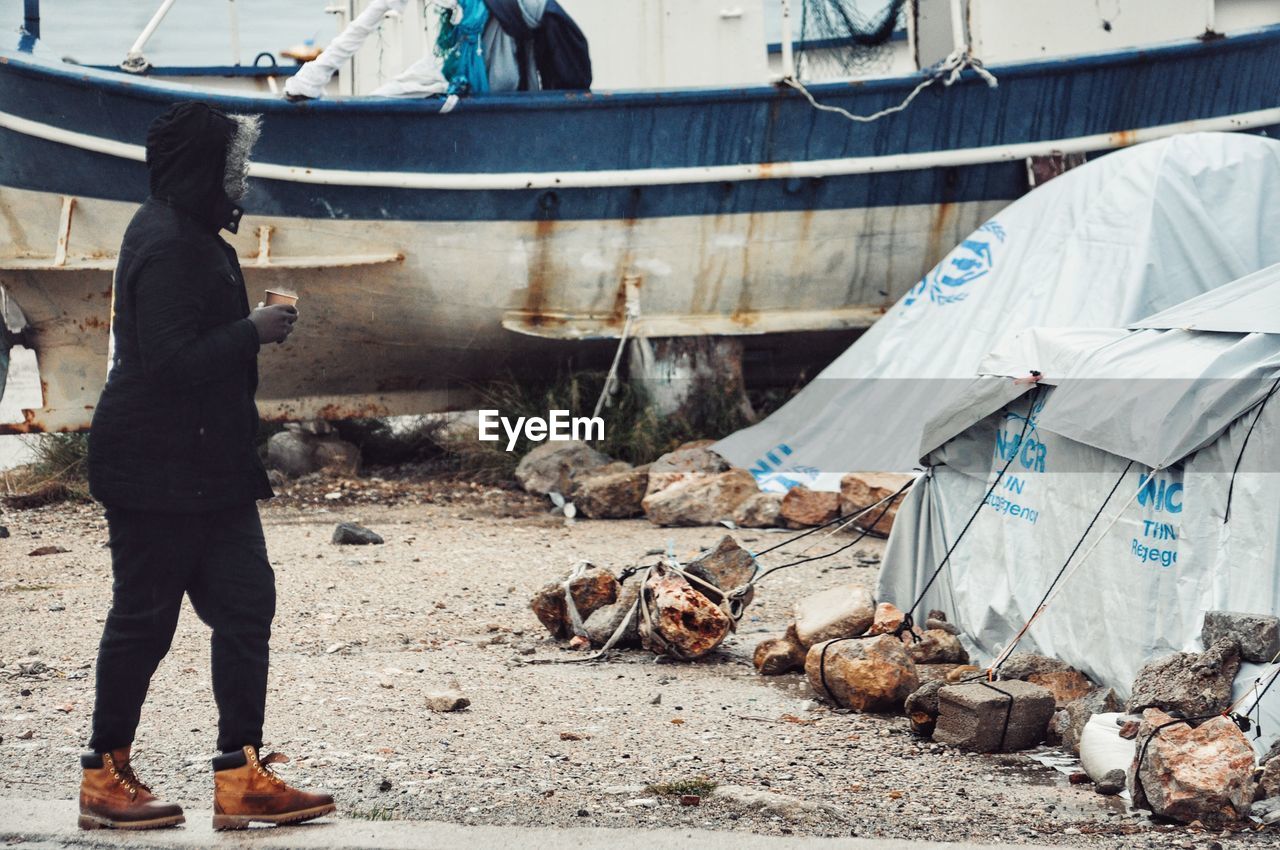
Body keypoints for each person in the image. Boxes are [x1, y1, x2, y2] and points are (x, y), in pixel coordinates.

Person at [80, 101, 334, 832]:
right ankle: (103, 775)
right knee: (144, 621)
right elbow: (166, 363)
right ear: (204, 168)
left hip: (209, 467)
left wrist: (243, 328)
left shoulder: (192, 232)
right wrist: (252, 330)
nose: (243, 175)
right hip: (152, 466)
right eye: (234, 163)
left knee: (247, 604)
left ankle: (241, 774)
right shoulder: (167, 241)